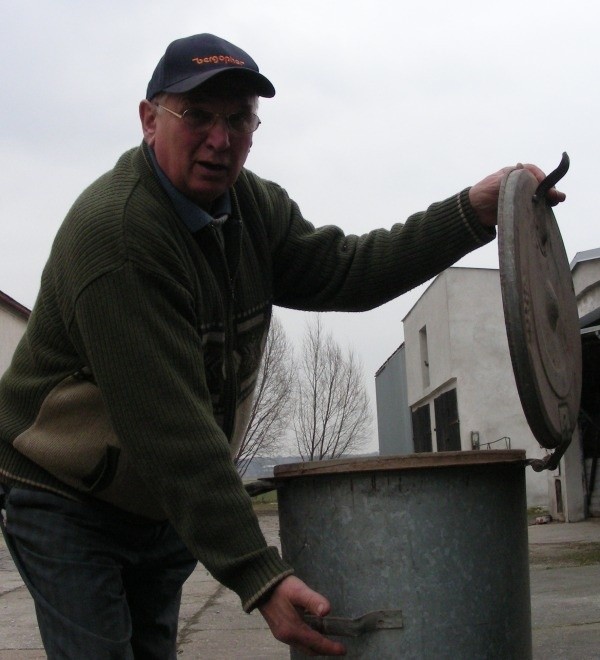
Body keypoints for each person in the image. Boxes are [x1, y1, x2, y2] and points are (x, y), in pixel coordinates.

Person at [0, 33, 564, 659]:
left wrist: (471, 213)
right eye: (198, 115)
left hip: (156, 504)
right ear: (148, 118)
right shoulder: (121, 237)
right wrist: (258, 574)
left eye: (239, 119)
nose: (220, 139)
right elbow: (171, 431)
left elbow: (350, 269)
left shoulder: (252, 209)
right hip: (65, 493)